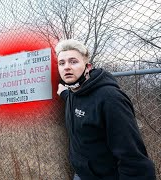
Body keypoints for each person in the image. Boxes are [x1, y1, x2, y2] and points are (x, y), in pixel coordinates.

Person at [55, 39, 156, 180]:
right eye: (62, 63)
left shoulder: (110, 99)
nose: (66, 67)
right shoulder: (73, 92)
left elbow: (133, 160)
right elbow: (80, 102)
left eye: (73, 61)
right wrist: (64, 93)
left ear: (88, 67)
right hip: (80, 174)